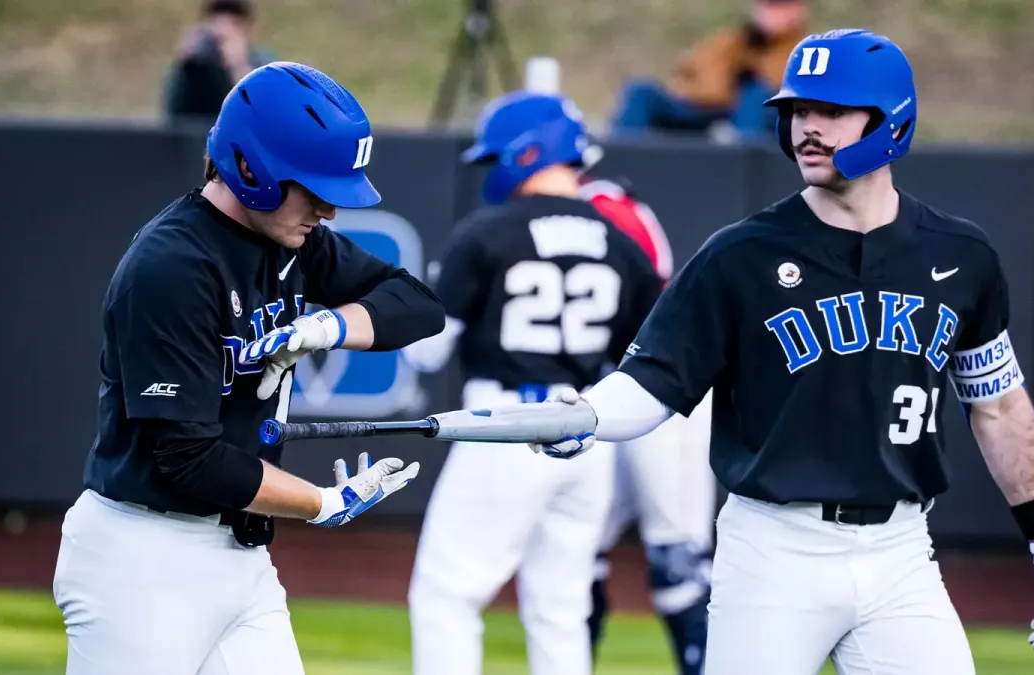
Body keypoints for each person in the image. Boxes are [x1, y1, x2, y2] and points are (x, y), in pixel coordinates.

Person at [471, 29, 1034, 673]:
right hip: (773, 552)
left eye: (832, 112)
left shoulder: (961, 256)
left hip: (902, 550)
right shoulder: (740, 255)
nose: (807, 129)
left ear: (890, 121)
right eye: (797, 111)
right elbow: (651, 382)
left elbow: (997, 404)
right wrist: (588, 417)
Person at [52, 61, 445, 675]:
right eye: (313, 189)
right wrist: (322, 501)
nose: (328, 211)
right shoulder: (172, 266)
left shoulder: (293, 240)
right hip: (142, 564)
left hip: (239, 557)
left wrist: (328, 327)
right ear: (250, 168)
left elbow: (417, 304)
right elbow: (187, 458)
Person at [399, 91, 664, 675]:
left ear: (526, 152)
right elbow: (648, 358)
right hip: (585, 432)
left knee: (447, 595)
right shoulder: (622, 243)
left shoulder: (489, 232)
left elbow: (424, 349)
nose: (493, 172)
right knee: (560, 610)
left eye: (498, 158)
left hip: (504, 427)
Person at [579, 176, 717, 675]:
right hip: (598, 398)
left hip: (661, 390)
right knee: (576, 548)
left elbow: (659, 304)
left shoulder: (609, 208)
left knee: (677, 557)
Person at [610, 0, 806, 141]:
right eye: (769, 6)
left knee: (756, 96)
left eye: (782, 6)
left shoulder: (803, 48)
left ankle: (739, 173)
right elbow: (692, 78)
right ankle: (622, 164)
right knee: (640, 91)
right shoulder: (729, 42)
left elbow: (780, 86)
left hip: (757, 121)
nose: (773, 14)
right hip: (707, 108)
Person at [163, 0, 276, 126]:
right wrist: (184, 65)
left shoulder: (260, 64)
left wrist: (239, 67)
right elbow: (173, 118)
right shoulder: (197, 64)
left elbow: (266, 117)